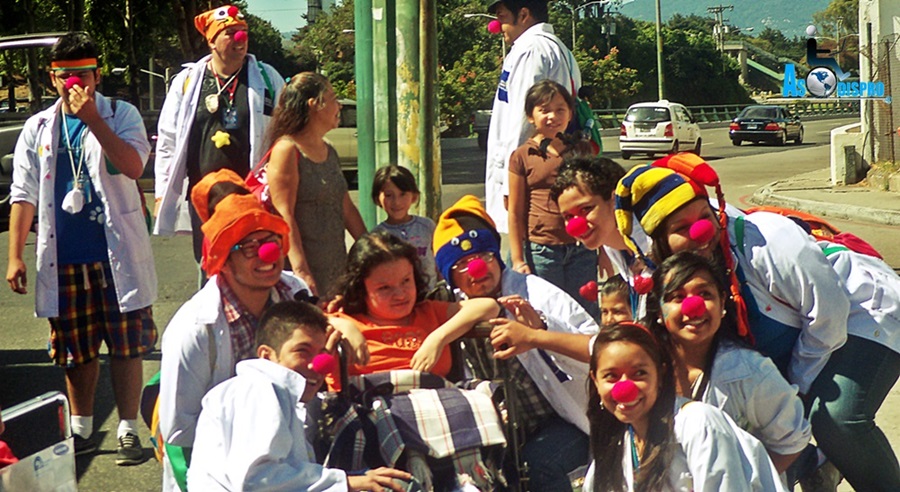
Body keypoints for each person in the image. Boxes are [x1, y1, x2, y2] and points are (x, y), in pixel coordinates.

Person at [614, 152, 899, 491]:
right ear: (659, 242)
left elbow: (829, 315)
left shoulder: (767, 239)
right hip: (808, 332)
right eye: (681, 229)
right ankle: (815, 466)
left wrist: (796, 388)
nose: (702, 232)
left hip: (863, 312)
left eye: (705, 217)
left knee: (835, 419)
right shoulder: (663, 281)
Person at [5, 32, 156, 465]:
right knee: (75, 351)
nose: (75, 85)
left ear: (97, 75)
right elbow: (24, 193)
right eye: (65, 76)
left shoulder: (119, 113)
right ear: (52, 79)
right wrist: (15, 254)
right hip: (65, 256)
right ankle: (82, 428)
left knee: (127, 345)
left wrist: (93, 120)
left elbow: (132, 165)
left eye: (83, 75)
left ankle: (128, 428)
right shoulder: (36, 128)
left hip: (116, 255)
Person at [158, 169, 312, 491]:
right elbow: (178, 428)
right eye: (248, 247)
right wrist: (253, 432)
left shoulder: (295, 294)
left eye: (269, 242)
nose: (267, 255)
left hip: (294, 461)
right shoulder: (194, 330)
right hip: (224, 470)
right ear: (224, 260)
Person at [433, 195, 599, 491]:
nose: (477, 270)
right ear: (450, 278)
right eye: (462, 264)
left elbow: (599, 348)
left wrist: (543, 330)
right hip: (498, 429)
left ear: (496, 256)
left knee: (538, 464)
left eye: (483, 256)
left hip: (567, 420)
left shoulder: (536, 293)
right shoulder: (451, 312)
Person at [188, 300, 410, 491]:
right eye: (302, 351)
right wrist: (347, 482)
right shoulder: (257, 388)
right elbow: (257, 480)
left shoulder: (284, 397)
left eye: (323, 354)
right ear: (267, 355)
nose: (316, 365)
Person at [648, 252, 810, 476]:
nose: (692, 306)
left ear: (722, 303)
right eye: (677, 297)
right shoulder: (642, 368)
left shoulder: (749, 371)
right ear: (658, 310)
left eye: (705, 294)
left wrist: (748, 483)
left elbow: (791, 440)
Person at [153, 5, 285, 280]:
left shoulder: (267, 78)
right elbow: (168, 139)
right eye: (231, 33)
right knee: (211, 265)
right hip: (204, 198)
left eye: (243, 32)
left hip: (251, 194)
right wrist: (162, 192)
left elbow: (284, 133)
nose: (240, 38)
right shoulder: (187, 82)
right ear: (211, 41)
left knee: (251, 263)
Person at [583, 322, 786, 492]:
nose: (625, 388)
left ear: (660, 375)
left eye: (639, 374)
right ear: (596, 381)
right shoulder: (617, 446)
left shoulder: (699, 423)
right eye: (611, 376)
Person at [329, 230, 502, 378]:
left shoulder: (429, 312)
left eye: (406, 281)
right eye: (384, 288)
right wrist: (344, 326)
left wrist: (438, 338)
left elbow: (488, 306)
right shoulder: (344, 322)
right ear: (361, 288)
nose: (400, 294)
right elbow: (306, 321)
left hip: (435, 408)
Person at [265, 72, 366, 297]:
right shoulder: (287, 150)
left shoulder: (329, 150)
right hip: (304, 274)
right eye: (332, 98)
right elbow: (285, 215)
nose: (338, 105)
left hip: (335, 268)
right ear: (314, 105)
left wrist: (370, 247)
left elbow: (345, 206)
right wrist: (302, 273)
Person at [483, 0, 580, 234]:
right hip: (547, 166)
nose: (499, 26)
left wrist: (511, 184)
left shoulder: (532, 50)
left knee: (529, 258)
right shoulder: (560, 49)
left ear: (524, 14)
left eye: (503, 17)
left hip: (530, 176)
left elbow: (522, 118)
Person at [507, 80, 597, 317]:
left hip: (582, 249)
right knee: (548, 315)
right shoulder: (521, 156)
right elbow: (515, 212)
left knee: (584, 315)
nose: (552, 116)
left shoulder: (581, 149)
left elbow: (597, 204)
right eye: (544, 110)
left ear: (569, 114)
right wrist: (518, 259)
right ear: (530, 116)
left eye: (560, 109)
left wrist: (604, 251)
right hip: (541, 251)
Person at [371, 165, 438, 290]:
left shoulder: (427, 226)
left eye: (402, 194)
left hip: (430, 295)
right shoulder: (377, 236)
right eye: (389, 195)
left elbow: (438, 261)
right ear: (377, 199)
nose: (397, 202)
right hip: (399, 298)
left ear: (414, 196)